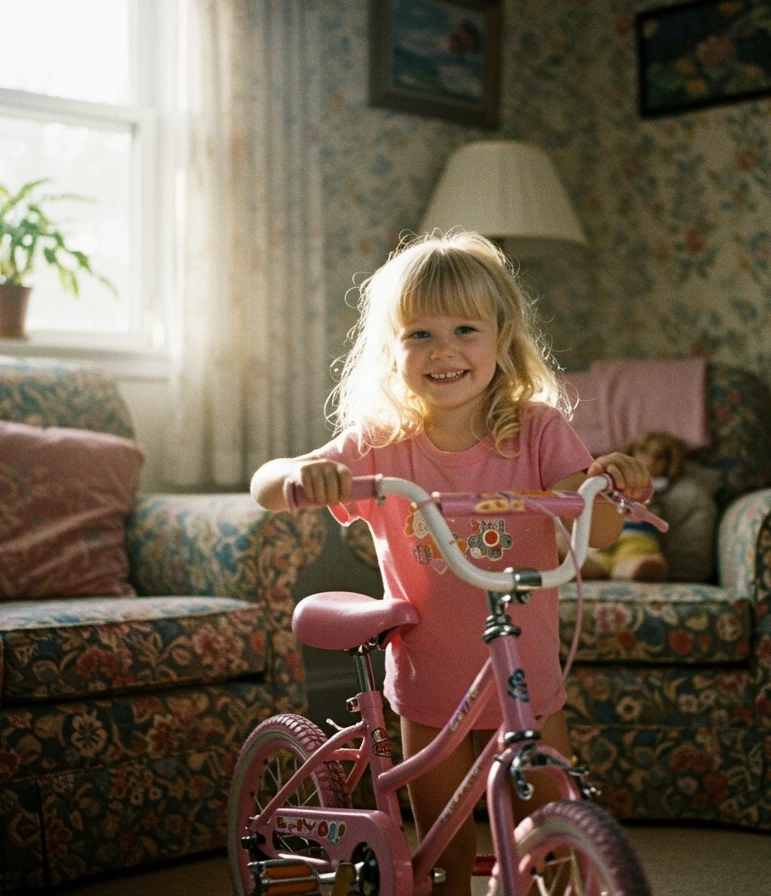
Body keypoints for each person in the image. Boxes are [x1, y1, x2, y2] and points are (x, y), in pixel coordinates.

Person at [250, 231, 649, 896]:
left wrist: (608, 481)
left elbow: (600, 529)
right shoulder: (382, 444)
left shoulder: (538, 429)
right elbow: (265, 485)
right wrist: (302, 473)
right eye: (419, 334)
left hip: (529, 673)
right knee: (446, 857)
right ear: (392, 350)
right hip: (432, 678)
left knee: (549, 832)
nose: (444, 350)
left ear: (501, 336)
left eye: (465, 328)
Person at [580, 429, 686, 582]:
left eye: (659, 457)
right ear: (632, 452)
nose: (649, 460)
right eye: (643, 451)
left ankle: (634, 569)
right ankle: (582, 566)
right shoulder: (611, 475)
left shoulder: (662, 486)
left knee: (639, 557)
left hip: (637, 536)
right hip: (602, 534)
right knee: (589, 554)